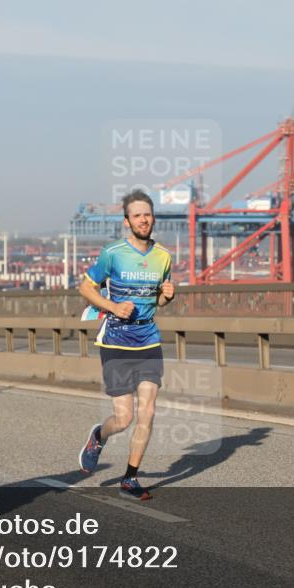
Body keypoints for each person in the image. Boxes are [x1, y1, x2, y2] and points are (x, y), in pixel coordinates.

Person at [77, 190, 174, 500]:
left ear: (153, 218)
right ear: (127, 221)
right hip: (116, 341)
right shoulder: (113, 253)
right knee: (124, 418)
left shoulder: (163, 256)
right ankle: (98, 436)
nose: (143, 219)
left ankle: (130, 479)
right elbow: (85, 287)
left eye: (147, 214)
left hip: (148, 340)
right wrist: (113, 306)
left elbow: (157, 299)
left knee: (148, 412)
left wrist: (167, 297)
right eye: (136, 215)